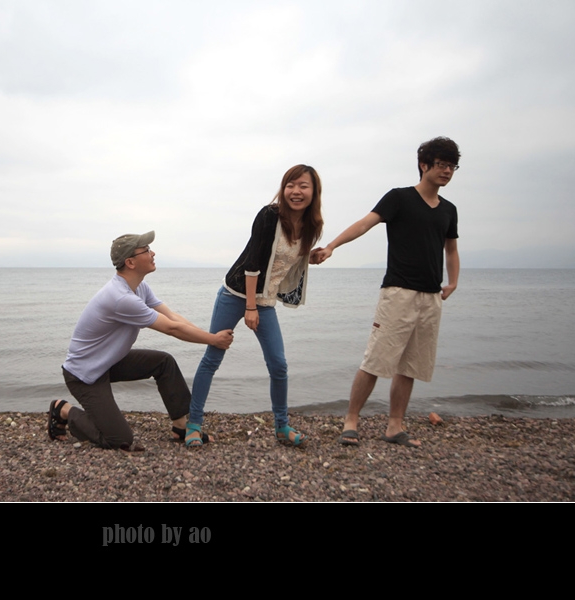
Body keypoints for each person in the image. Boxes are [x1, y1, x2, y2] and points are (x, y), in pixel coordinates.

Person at [310, 137, 461, 448]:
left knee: (411, 366)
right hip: (398, 293)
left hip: (431, 297)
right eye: (442, 164)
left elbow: (451, 249)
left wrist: (453, 281)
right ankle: (351, 420)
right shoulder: (399, 198)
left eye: (452, 166)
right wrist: (332, 246)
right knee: (375, 361)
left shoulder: (449, 209)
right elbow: (365, 224)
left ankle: (394, 426)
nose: (447, 171)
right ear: (424, 165)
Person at [49, 231, 234, 450]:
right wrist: (213, 340)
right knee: (119, 440)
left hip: (109, 362)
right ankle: (63, 410)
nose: (152, 253)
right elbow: (172, 328)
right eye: (146, 250)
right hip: (84, 374)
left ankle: (181, 426)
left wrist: (210, 335)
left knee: (164, 363)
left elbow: (172, 316)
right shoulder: (120, 298)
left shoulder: (139, 288)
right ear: (130, 262)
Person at [186, 165, 324, 448]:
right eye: (290, 185)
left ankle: (282, 426)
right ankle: (193, 424)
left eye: (303, 186)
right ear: (283, 188)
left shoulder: (312, 226)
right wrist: (250, 307)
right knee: (213, 357)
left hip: (265, 301)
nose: (296, 191)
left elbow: (283, 258)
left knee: (278, 365)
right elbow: (254, 261)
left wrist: (309, 256)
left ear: (314, 191)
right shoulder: (269, 215)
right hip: (236, 294)